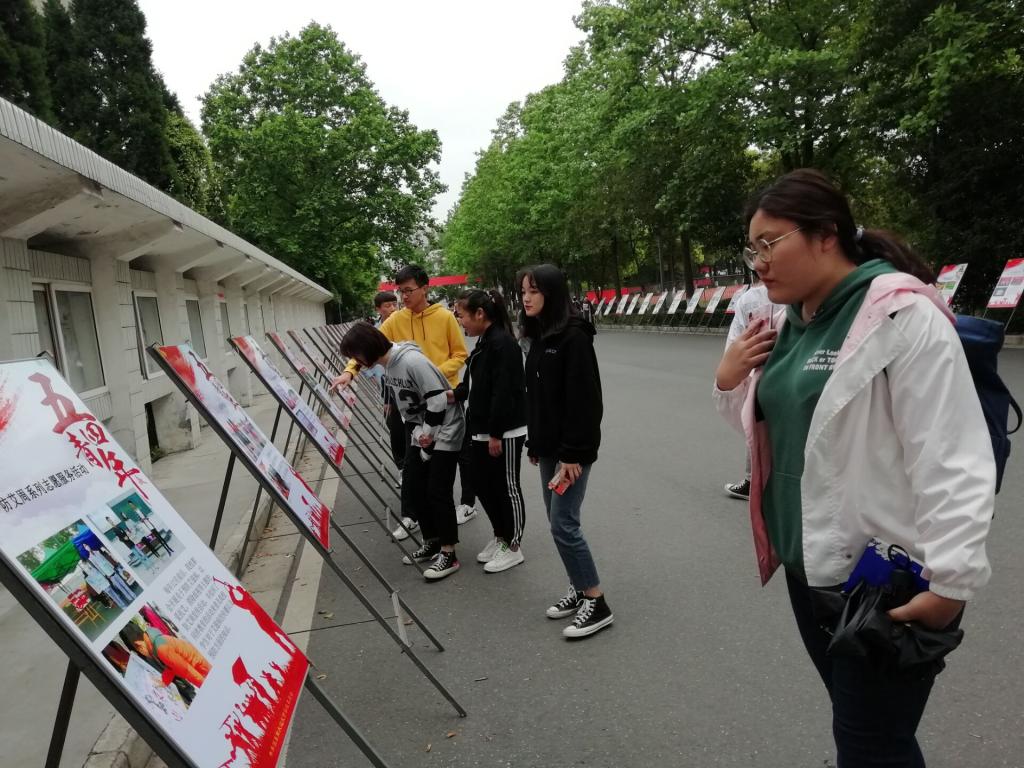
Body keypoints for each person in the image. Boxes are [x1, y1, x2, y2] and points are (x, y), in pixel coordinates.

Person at [713, 169, 994, 766]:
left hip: (881, 580)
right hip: (808, 573)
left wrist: (951, 583)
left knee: (868, 745)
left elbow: (952, 455)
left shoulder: (900, 316)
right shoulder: (788, 324)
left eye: (770, 243)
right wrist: (730, 379)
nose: (758, 263)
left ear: (826, 234)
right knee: (873, 736)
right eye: (752, 249)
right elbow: (776, 431)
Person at [331, 265, 472, 539]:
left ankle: (466, 504)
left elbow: (459, 355)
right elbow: (369, 345)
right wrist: (349, 372)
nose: (404, 297)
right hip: (413, 407)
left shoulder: (444, 317)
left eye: (408, 290)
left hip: (445, 399)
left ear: (424, 288)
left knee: (459, 458)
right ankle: (412, 516)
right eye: (400, 291)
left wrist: (431, 376)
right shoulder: (396, 320)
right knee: (413, 465)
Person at [520, 264, 613, 639]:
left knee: (564, 523)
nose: (526, 298)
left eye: (534, 291)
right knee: (556, 521)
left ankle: (596, 600)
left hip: (571, 451)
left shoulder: (574, 338)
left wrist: (572, 454)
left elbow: (585, 402)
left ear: (552, 293)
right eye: (523, 291)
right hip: (549, 447)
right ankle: (578, 587)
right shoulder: (540, 335)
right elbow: (537, 397)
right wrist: (535, 442)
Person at [340, 322, 467, 581]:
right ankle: (432, 541)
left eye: (355, 355)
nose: (356, 361)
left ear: (367, 347)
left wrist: (428, 434)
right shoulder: (389, 366)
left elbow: (438, 400)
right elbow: (409, 409)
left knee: (437, 489)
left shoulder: (411, 361)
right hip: (423, 430)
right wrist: (419, 434)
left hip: (446, 428)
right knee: (414, 484)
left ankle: (449, 552)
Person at [453, 289, 528, 573]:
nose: (460, 321)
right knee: (483, 484)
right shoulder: (484, 342)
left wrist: (496, 433)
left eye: (462, 315)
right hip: (482, 428)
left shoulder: (503, 344)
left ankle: (514, 546)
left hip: (504, 431)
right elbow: (475, 385)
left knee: (507, 487)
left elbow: (503, 392)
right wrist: (454, 395)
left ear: (480, 313)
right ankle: (500, 537)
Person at [721, 278, 782, 500]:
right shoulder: (750, 300)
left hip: (758, 374)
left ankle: (752, 480)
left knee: (756, 428)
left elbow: (734, 347)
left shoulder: (748, 299)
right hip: (775, 374)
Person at [121, 620, 211, 689]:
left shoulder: (161, 649)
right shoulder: (156, 641)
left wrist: (205, 688)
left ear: (139, 645)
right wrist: (164, 682)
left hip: (203, 669)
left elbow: (186, 670)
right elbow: (171, 666)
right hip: (200, 666)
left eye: (138, 649)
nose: (141, 653)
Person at [373, 291, 407, 476]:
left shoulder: (404, 324)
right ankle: (402, 468)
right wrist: (385, 397)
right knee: (395, 428)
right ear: (378, 309)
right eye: (387, 306)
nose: (393, 309)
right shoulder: (375, 332)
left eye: (395, 304)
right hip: (388, 387)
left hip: (408, 385)